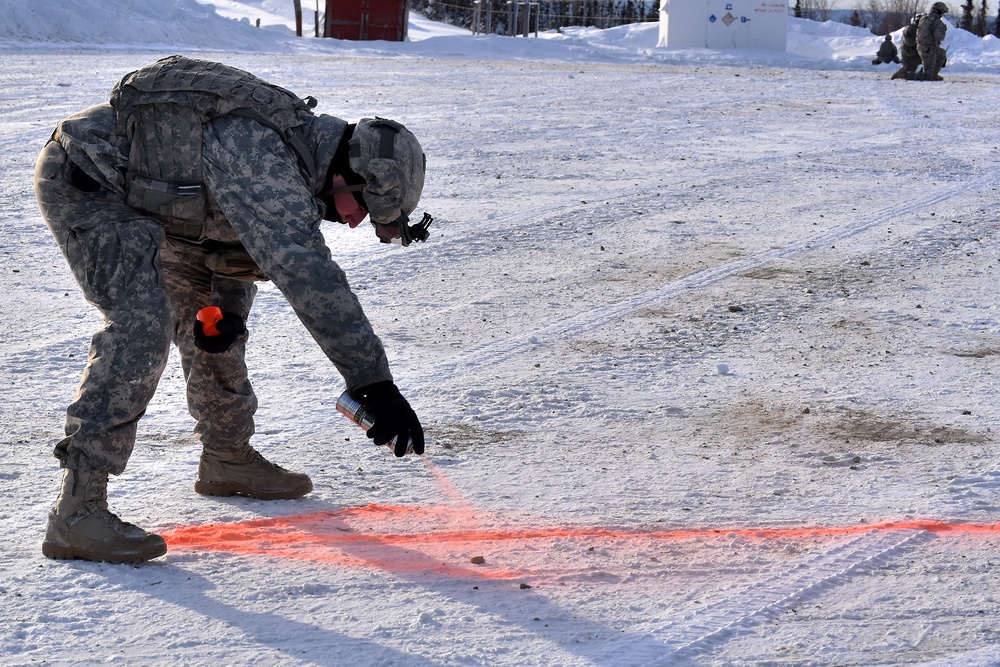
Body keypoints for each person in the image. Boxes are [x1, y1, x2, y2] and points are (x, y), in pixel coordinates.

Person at [34, 55, 430, 564]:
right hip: (92, 184)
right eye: (363, 208)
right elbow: (303, 268)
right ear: (347, 174)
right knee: (141, 327)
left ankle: (226, 456)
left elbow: (236, 247)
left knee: (215, 327)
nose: (355, 223)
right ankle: (78, 508)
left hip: (169, 208)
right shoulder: (264, 153)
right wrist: (371, 381)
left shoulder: (293, 161)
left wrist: (225, 310)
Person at [916, 2, 949, 80]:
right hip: (929, 49)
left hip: (921, 47)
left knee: (941, 53)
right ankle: (907, 75)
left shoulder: (924, 17)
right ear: (939, 11)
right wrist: (943, 29)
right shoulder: (936, 21)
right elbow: (939, 37)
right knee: (927, 76)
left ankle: (933, 74)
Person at [891, 15, 923, 80]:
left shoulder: (919, 29)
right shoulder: (910, 29)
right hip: (909, 53)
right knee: (909, 70)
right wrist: (919, 41)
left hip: (914, 53)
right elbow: (909, 42)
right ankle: (900, 74)